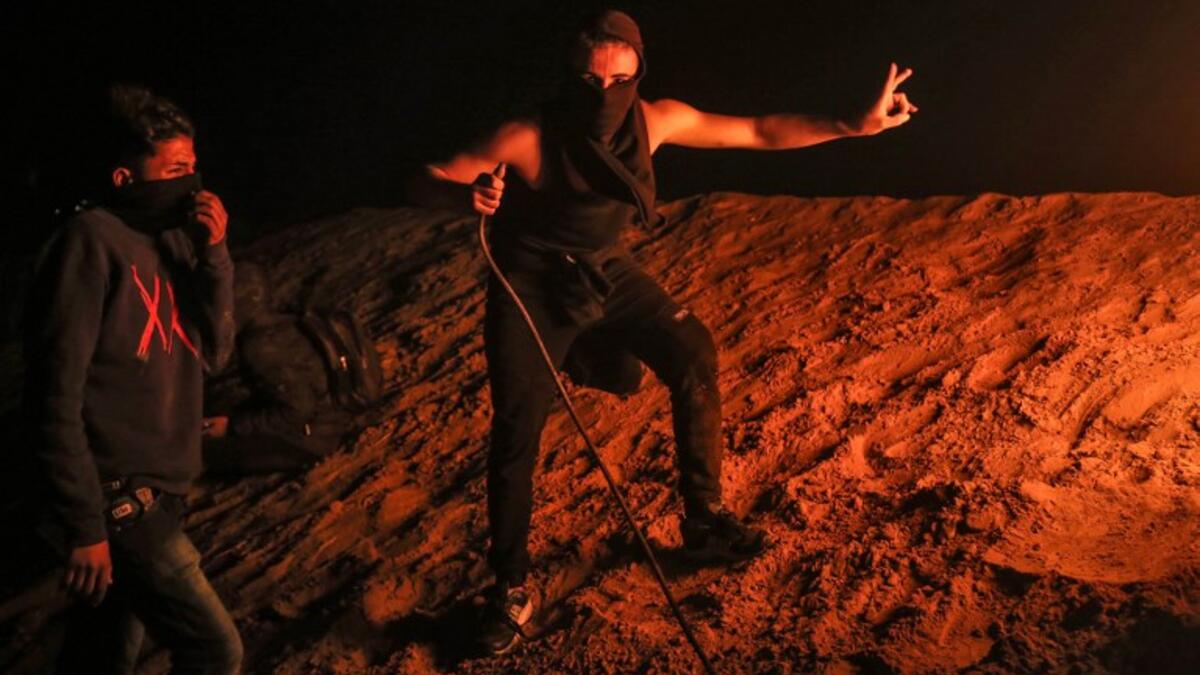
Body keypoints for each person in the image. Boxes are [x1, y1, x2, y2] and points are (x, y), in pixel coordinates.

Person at [407, 10, 917, 654]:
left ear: (637, 74)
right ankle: (509, 587)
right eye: (591, 82)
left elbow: (757, 131)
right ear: (569, 76)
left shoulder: (657, 120)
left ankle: (703, 520)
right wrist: (462, 197)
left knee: (690, 350)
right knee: (517, 433)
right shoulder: (528, 136)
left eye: (620, 80)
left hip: (605, 271)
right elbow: (428, 176)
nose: (606, 95)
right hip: (531, 289)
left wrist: (851, 124)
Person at [23, 84, 241, 673]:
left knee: (103, 656)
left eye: (193, 168)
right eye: (174, 170)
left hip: (165, 490)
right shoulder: (87, 242)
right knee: (215, 649)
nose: (190, 183)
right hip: (120, 500)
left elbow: (216, 352)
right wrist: (84, 524)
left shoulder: (174, 240)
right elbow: (53, 394)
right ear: (124, 177)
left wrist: (214, 254)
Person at [201, 262, 353, 474]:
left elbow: (296, 411)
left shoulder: (260, 346)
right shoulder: (283, 320)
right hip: (331, 418)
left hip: (313, 440)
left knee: (204, 450)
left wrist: (231, 425)